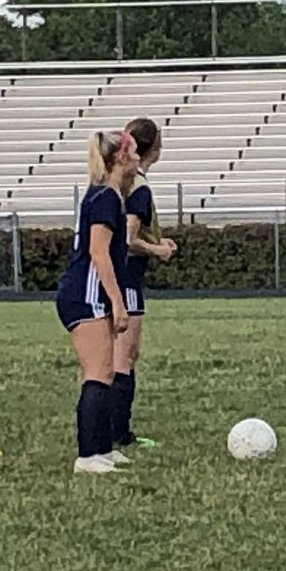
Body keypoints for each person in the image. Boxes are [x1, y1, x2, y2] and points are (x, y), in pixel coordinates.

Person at [56, 130, 139, 474]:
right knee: (98, 372)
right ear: (120, 158)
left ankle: (103, 448)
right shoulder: (105, 197)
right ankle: (88, 454)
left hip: (90, 293)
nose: (138, 160)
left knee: (103, 373)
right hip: (86, 294)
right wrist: (118, 302)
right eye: (134, 153)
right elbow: (98, 253)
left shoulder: (108, 195)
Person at [113, 118, 178, 449]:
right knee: (124, 356)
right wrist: (158, 250)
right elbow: (127, 238)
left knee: (119, 355)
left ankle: (113, 428)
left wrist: (155, 241)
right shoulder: (139, 187)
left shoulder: (125, 181)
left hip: (121, 275)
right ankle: (119, 432)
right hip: (126, 277)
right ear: (154, 147)